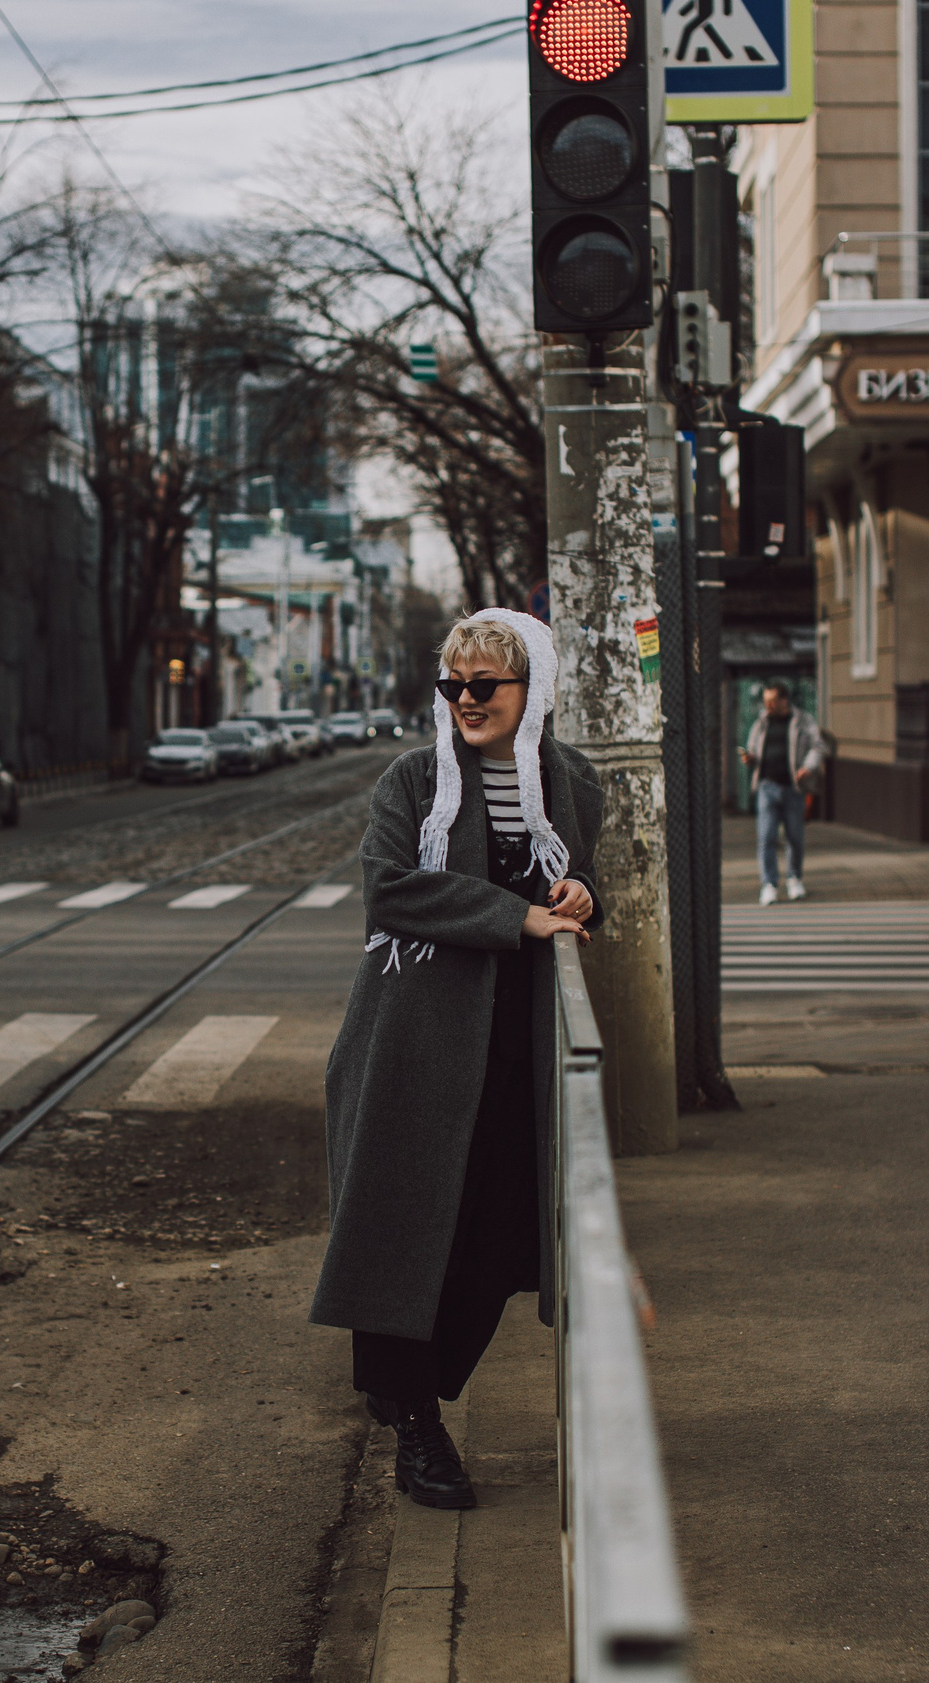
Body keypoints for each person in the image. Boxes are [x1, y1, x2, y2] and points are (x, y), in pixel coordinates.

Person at [312, 609, 602, 1509]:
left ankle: (407, 1391)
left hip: (519, 1043)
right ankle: (416, 1426)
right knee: (407, 1231)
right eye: (455, 686)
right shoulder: (413, 781)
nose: (467, 700)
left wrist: (587, 892)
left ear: (532, 691)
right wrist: (514, 916)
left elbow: (586, 896)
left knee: (502, 1229)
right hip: (417, 1043)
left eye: (487, 685)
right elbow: (388, 891)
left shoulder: (570, 782)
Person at [741, 681, 827, 906]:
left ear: (784, 700)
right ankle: (769, 884)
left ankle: (794, 879)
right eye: (765, 701)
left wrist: (807, 767)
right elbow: (751, 748)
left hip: (793, 788)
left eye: (772, 701)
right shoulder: (761, 723)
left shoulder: (802, 721)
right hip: (767, 787)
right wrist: (749, 758)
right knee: (766, 837)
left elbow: (817, 747)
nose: (767, 705)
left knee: (795, 837)